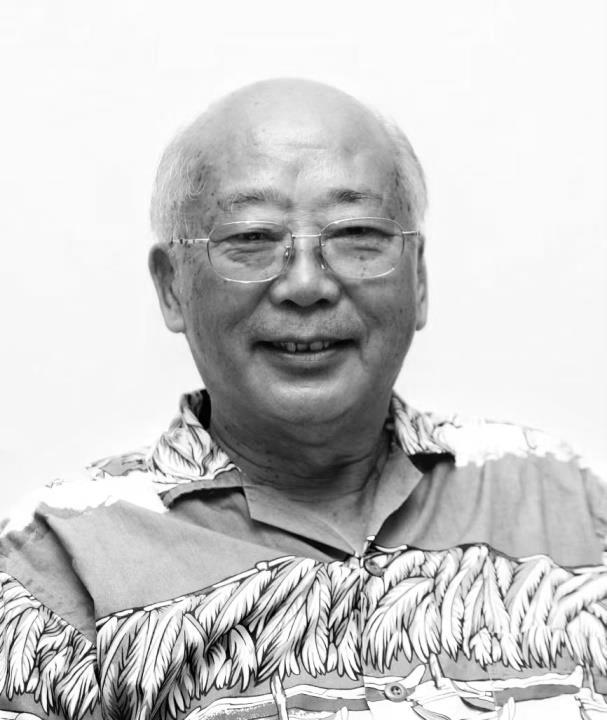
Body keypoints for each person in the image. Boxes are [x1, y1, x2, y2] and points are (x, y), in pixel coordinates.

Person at [1, 78, 606, 720]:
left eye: (357, 233)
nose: (307, 284)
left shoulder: (562, 500)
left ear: (420, 277)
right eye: (251, 238)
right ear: (172, 287)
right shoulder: (59, 562)